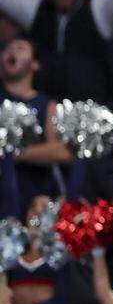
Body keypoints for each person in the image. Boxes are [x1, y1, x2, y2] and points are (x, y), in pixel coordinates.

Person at [0, 38, 72, 205]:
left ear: (35, 64)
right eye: (7, 48)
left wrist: (14, 154)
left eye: (20, 48)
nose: (12, 51)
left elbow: (62, 151)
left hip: (35, 195)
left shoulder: (47, 105)